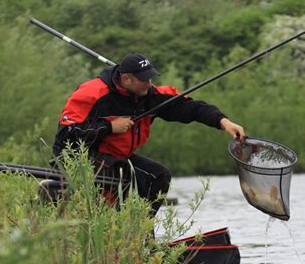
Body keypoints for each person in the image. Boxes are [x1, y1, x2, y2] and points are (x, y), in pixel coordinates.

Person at [52, 52, 245, 216]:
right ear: (126, 79)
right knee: (122, 173)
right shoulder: (92, 93)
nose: (149, 83)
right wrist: (109, 127)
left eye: (150, 78)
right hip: (75, 158)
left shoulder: (150, 95)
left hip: (115, 158)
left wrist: (223, 122)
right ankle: (113, 229)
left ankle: (139, 229)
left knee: (159, 175)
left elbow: (191, 108)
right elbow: (66, 135)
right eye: (144, 79)